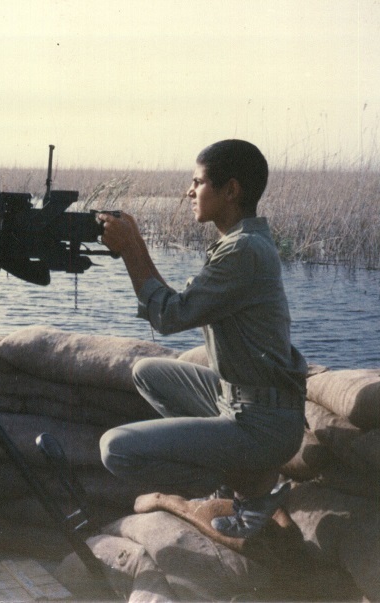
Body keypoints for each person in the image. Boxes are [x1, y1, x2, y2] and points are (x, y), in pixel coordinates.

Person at [97, 139, 307, 539]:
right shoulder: (241, 242)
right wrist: (135, 242)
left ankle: (250, 487)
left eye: (198, 182)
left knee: (116, 449)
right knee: (146, 372)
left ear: (231, 190)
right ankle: (238, 476)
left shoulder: (244, 251)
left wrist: (129, 251)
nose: (189, 192)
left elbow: (169, 316)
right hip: (242, 400)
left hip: (262, 425)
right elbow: (176, 305)